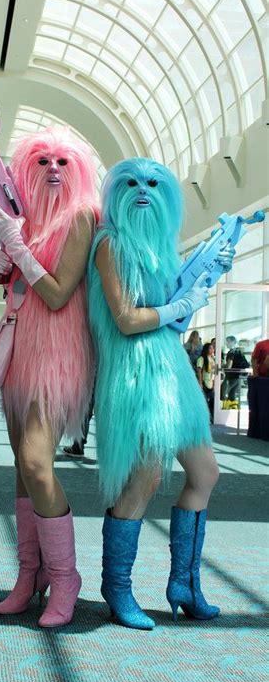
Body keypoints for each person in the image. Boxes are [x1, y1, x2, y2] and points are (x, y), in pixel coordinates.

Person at [87, 158, 234, 630]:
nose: (143, 190)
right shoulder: (109, 245)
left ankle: (184, 584)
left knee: (205, 472)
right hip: (136, 371)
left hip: (172, 368)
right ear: (116, 193)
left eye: (153, 182)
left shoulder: (162, 250)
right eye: (131, 183)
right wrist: (178, 303)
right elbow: (127, 320)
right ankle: (118, 587)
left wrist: (203, 280)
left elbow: (173, 319)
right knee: (146, 476)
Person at [0, 127, 99, 628]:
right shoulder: (27, 220)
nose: (53, 168)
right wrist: (7, 258)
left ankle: (65, 576)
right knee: (19, 465)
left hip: (57, 355)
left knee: (36, 461)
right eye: (42, 161)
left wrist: (19, 249)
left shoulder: (80, 219)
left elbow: (57, 294)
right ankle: (29, 574)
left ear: (76, 171)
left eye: (62, 161)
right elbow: (18, 286)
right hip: (19, 353)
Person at [223, 335, 249, 404]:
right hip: (238, 376)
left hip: (232, 376)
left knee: (224, 392)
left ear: (233, 342)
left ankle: (225, 409)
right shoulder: (238, 351)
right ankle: (232, 408)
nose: (226, 343)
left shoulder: (231, 352)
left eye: (228, 342)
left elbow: (229, 366)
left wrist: (221, 365)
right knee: (232, 394)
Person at [196, 342, 216, 421]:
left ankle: (211, 417)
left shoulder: (212, 359)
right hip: (204, 382)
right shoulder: (202, 359)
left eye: (213, 348)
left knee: (211, 401)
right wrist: (200, 382)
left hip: (210, 382)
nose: (212, 350)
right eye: (210, 348)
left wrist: (214, 384)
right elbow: (199, 370)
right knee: (204, 401)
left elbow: (214, 372)